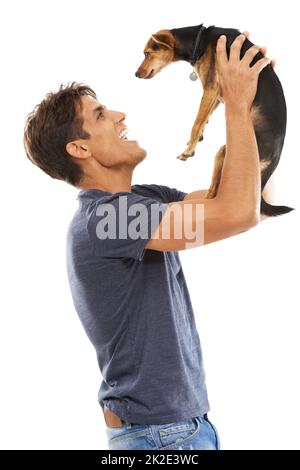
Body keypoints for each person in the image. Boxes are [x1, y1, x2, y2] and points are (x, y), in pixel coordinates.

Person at [23, 31, 274, 450]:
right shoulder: (106, 220)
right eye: (101, 115)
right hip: (160, 438)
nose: (120, 115)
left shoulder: (144, 201)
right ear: (79, 148)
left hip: (179, 428)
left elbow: (252, 198)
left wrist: (256, 100)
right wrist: (234, 103)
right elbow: (237, 214)